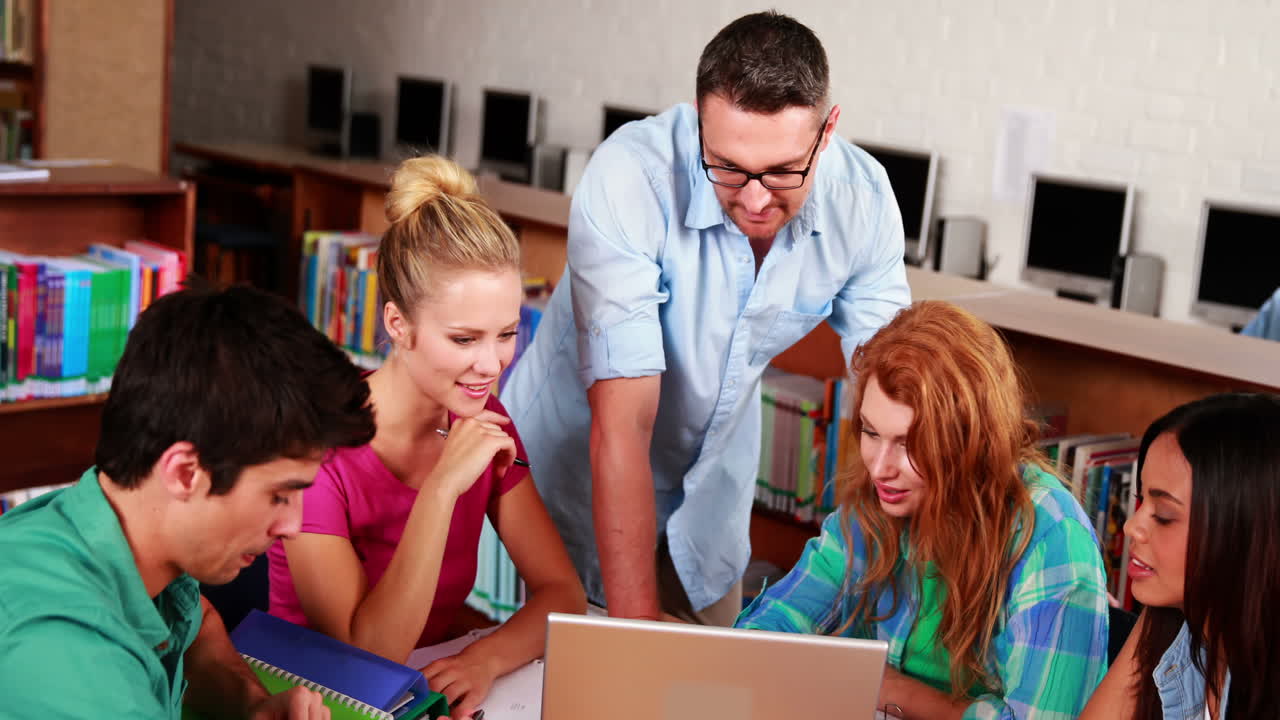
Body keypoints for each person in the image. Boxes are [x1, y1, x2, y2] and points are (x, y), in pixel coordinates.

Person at [500, 10, 911, 626]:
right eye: (727, 166)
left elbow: (899, 383)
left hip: (710, 497)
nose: (753, 198)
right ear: (699, 123)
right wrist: (635, 633)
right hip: (573, 480)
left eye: (781, 172)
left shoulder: (865, 201)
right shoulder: (631, 176)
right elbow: (623, 426)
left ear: (827, 132)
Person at [268, 155, 585, 719]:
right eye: (464, 339)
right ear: (398, 324)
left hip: (419, 692)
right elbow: (363, 654)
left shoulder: (485, 423)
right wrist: (441, 490)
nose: (491, 364)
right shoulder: (319, 446)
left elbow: (563, 596)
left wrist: (485, 660)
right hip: (319, 702)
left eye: (507, 333)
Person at [0, 283, 378, 719]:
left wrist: (252, 704)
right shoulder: (68, 658)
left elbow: (196, 625)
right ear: (184, 472)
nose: (292, 525)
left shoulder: (113, 530)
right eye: (279, 495)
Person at [736, 301, 1109, 719]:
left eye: (911, 444)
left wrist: (896, 692)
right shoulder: (877, 505)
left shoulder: (1051, 536)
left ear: (971, 442)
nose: (879, 468)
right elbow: (766, 638)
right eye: (871, 432)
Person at [1080, 393, 1280, 719]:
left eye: (1163, 515)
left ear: (1240, 533)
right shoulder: (1179, 627)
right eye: (1141, 500)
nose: (1132, 527)